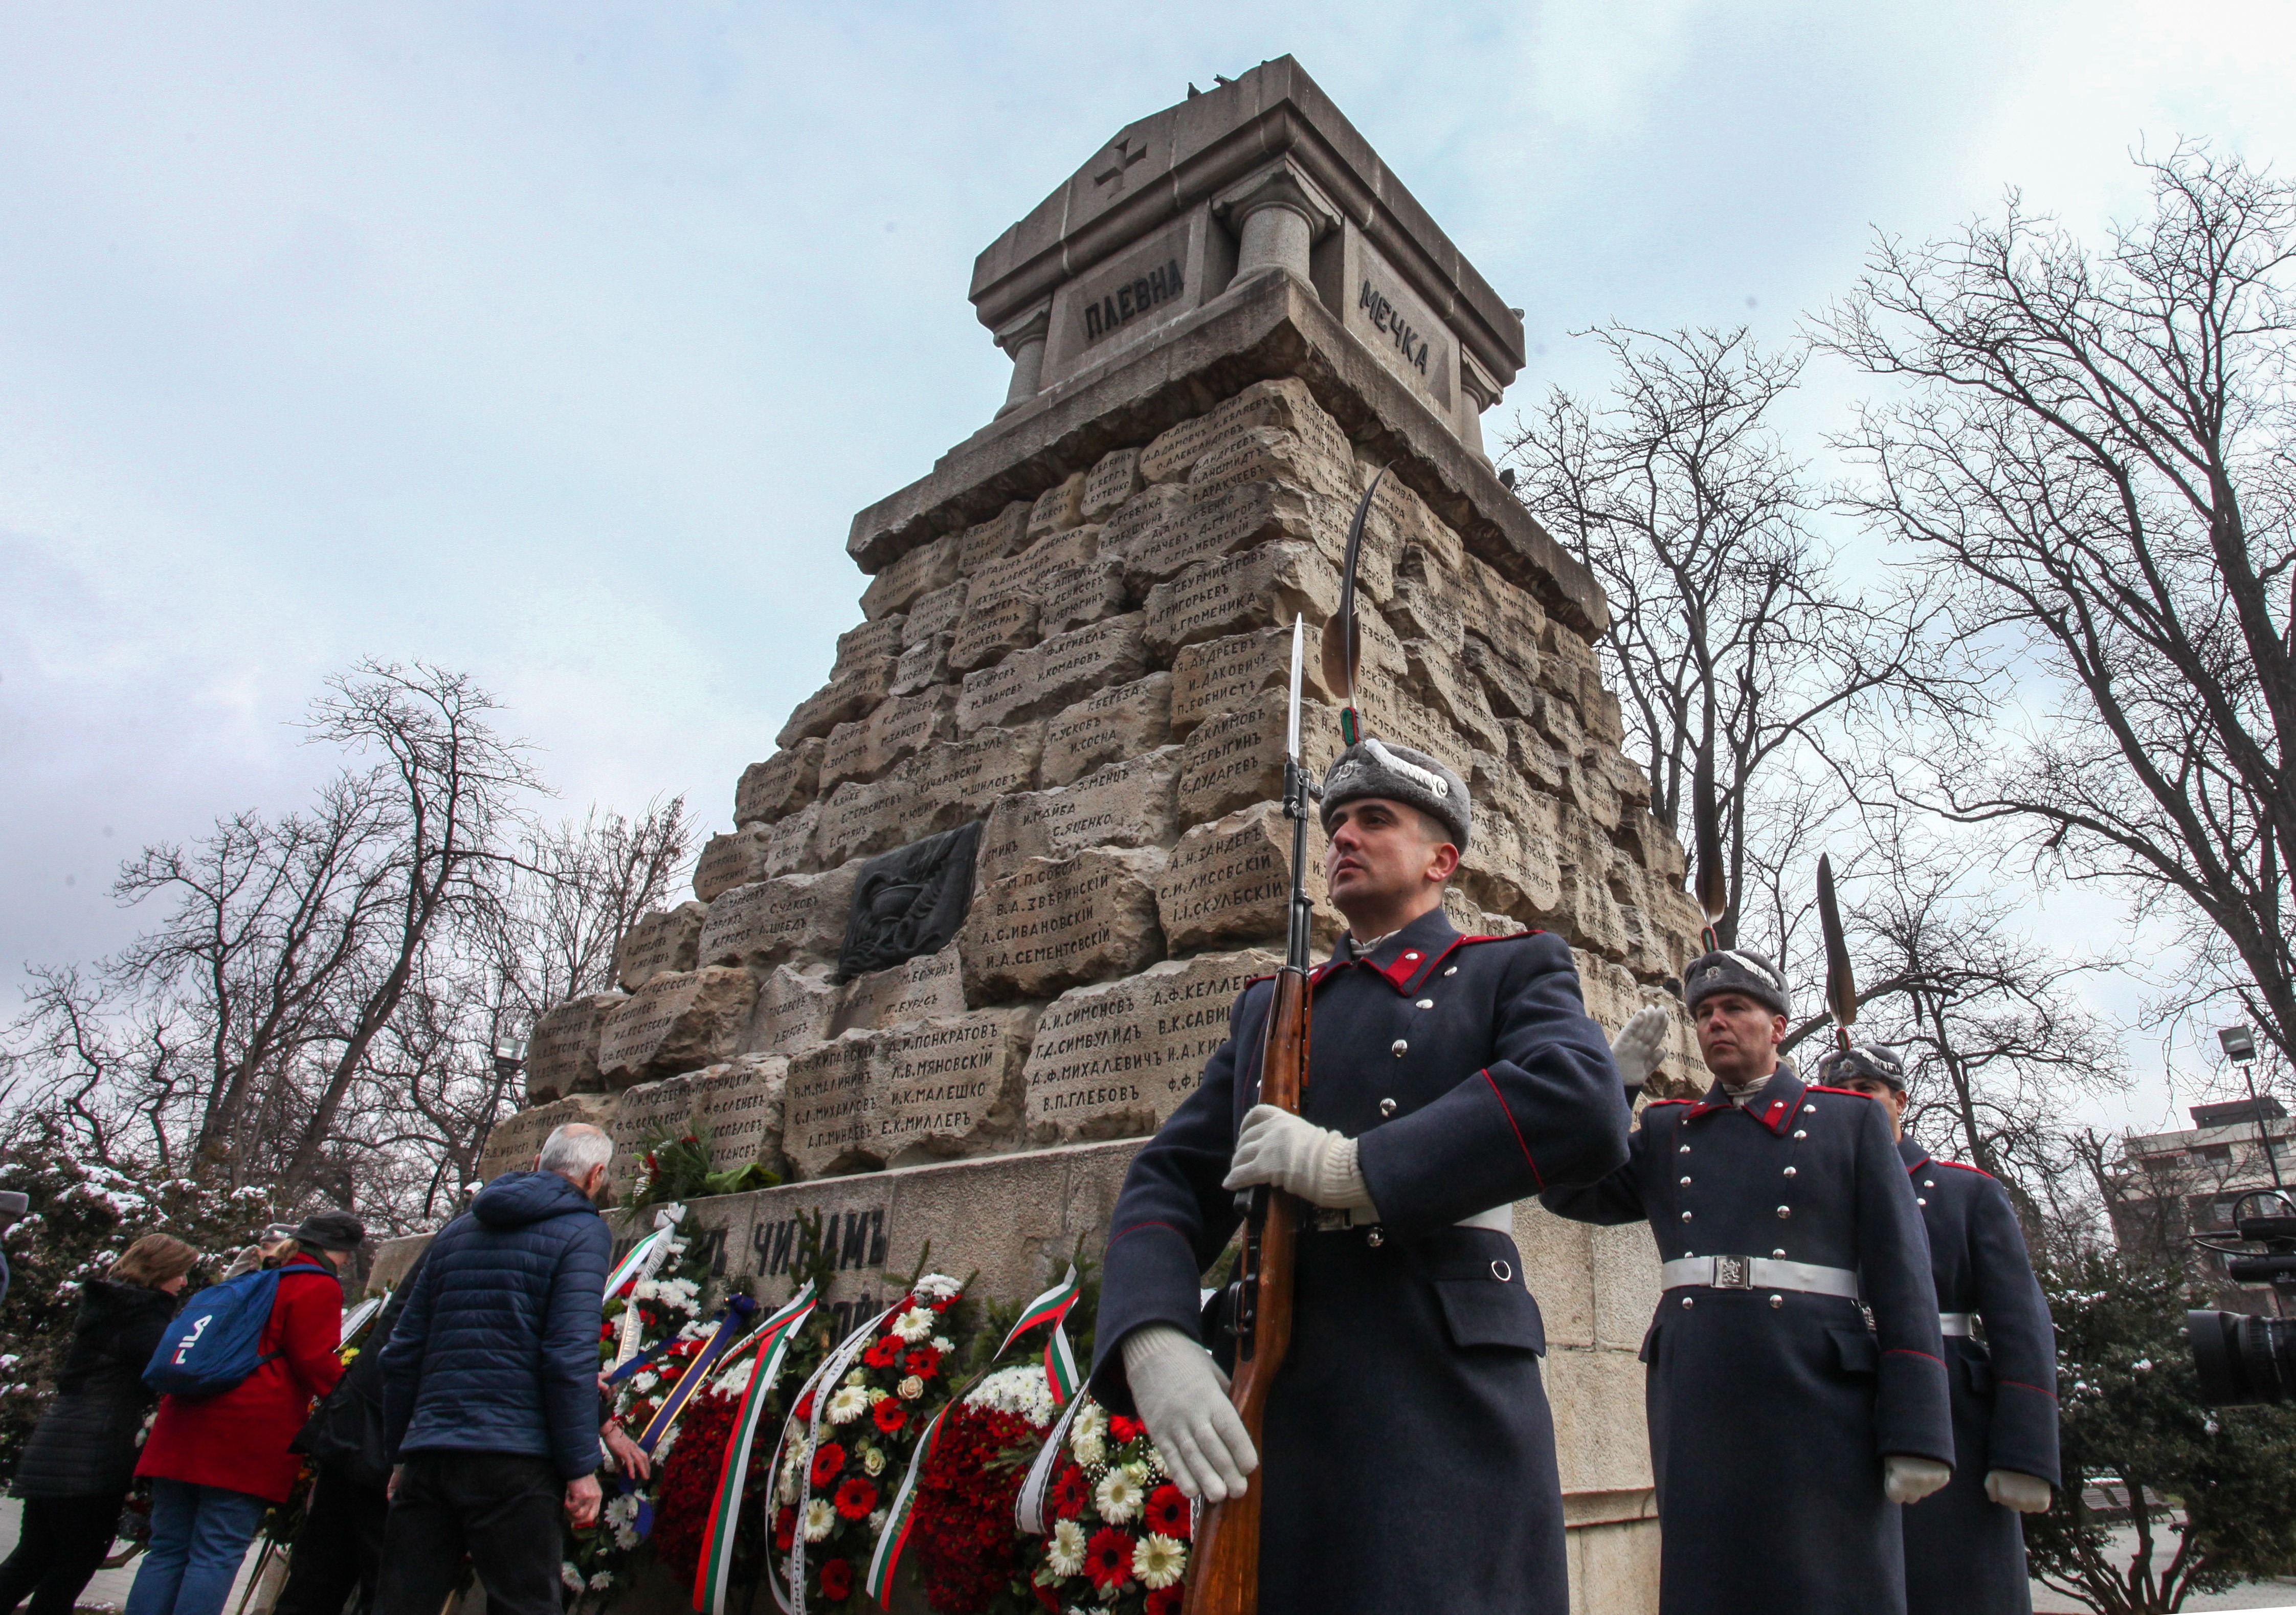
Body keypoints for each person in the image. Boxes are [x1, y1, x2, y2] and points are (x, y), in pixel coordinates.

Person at [1089, 739, 1632, 1614]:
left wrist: (1355, 1166)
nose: (1343, 835)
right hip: (1290, 1387)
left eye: (1374, 820)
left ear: (1439, 859)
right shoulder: (1271, 1008)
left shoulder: (1505, 969)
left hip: (1442, 1395)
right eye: (1336, 821)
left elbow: (1579, 1098)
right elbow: (1170, 1177)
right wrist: (1150, 1338)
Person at [1542, 950, 1955, 1615]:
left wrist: (1916, 1430)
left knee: (1828, 1578)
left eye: (1734, 1008)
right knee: (1713, 1581)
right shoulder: (1669, 1128)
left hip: (1819, 1387)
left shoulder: (1847, 1123)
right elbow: (1570, 1192)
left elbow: (1902, 1279)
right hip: (1701, 1382)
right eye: (1703, 1013)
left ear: (1779, 1025)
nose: (1715, 1024)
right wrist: (1608, 1093)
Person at [1818, 1044, 2060, 1615]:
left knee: (1957, 1585)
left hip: (1953, 1416)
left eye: (1865, 1092)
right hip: (1836, 1403)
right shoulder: (1811, 1192)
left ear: (1899, 1101)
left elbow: (2020, 1322)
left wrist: (2025, 1452)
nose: (1850, 1105)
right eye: (1837, 1096)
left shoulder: (1964, 1191)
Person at [374, 1123, 616, 1615]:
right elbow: (567, 1355)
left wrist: (402, 1453)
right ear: (596, 1175)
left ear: (535, 1163)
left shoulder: (458, 1230)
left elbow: (401, 1351)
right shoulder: (582, 1231)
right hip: (514, 1458)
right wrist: (578, 1468)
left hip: (431, 1452)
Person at [126, 1211, 363, 1615]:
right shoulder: (315, 1284)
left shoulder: (251, 1280)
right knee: (216, 1550)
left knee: (167, 1548)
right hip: (244, 1434)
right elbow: (312, 1358)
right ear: (339, 1252)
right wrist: (356, 1399)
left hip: (184, 1421)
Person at [0, 1234, 196, 1615]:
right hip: (93, 1454)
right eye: (182, 1273)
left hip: (56, 1440)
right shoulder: (142, 1317)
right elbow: (172, 1372)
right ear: (162, 1272)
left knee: (32, 1556)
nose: (185, 1283)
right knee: (75, 1561)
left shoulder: (109, 1305)